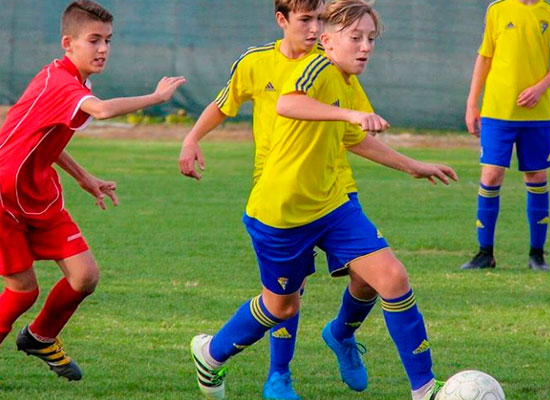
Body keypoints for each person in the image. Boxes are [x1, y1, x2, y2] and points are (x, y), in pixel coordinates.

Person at [189, 1, 458, 399]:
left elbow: (356, 139)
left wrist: (410, 165)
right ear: (328, 42)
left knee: (392, 277)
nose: (365, 47)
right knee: (281, 308)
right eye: (356, 38)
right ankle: (210, 354)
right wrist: (349, 116)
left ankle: (424, 389)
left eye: (370, 39)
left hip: (333, 205)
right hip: (280, 212)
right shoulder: (317, 67)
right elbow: (287, 103)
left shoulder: (346, 78)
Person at [179, 1, 380, 398]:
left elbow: (357, 132)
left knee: (370, 277)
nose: (314, 28)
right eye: (306, 19)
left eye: (320, 20)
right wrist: (191, 138)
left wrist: (410, 163)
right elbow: (223, 105)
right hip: (277, 188)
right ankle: (279, 375)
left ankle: (342, 333)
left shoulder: (333, 62)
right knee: (289, 291)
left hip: (336, 185)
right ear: (282, 20)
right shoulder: (255, 62)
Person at [0, 0, 185, 381]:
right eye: (94, 40)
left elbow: (45, 138)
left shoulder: (70, 81)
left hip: (37, 194)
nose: (103, 49)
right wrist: (155, 98)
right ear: (68, 43)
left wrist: (84, 176)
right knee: (23, 291)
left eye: (108, 40)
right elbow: (100, 111)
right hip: (3, 197)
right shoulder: (61, 82)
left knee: (84, 276)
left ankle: (40, 336)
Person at [461, 0, 550, 271]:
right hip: (497, 111)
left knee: (537, 176)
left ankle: (537, 255)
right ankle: (485, 253)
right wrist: (472, 104)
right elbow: (484, 57)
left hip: (538, 115)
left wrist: (540, 88)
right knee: (491, 174)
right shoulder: (497, 9)